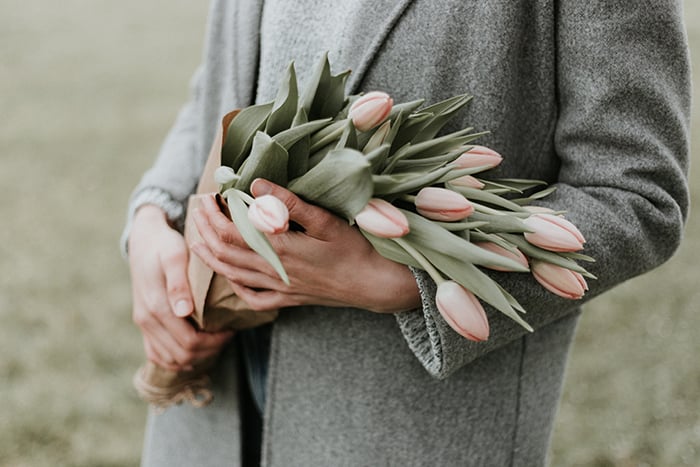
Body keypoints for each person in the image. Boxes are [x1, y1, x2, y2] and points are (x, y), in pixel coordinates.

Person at [122, 0, 691, 465]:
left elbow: (636, 195)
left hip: (406, 429)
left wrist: (402, 282)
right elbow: (221, 85)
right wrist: (153, 216)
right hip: (207, 415)